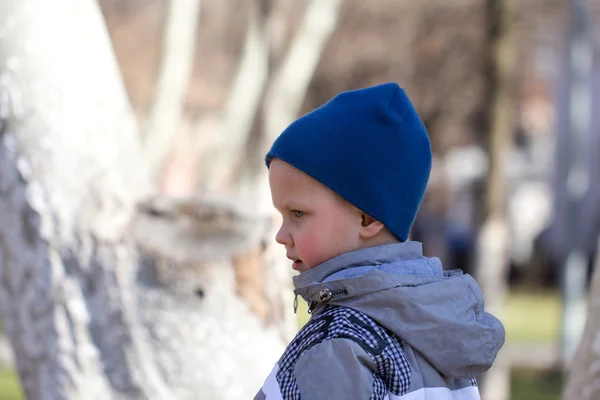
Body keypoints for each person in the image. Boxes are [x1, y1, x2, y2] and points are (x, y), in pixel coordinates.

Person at [254, 83, 504, 400]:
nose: (280, 235)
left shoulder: (336, 344)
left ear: (368, 218)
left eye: (298, 213)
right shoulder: (441, 333)